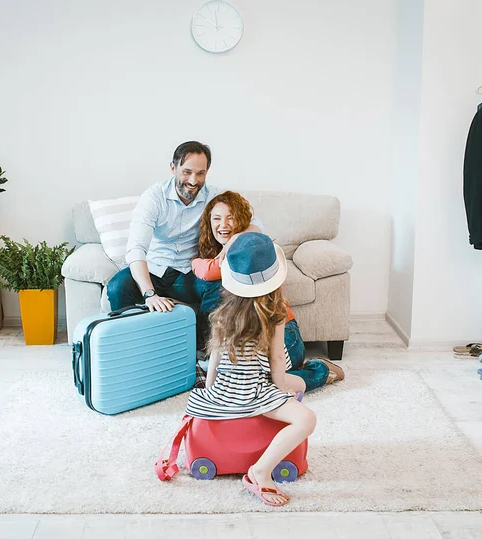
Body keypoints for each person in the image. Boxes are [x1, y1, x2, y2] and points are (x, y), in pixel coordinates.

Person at [186, 232, 317, 507]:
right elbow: (278, 365)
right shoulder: (275, 313)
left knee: (300, 385)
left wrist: (210, 393)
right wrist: (282, 394)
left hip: (224, 390)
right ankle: (261, 470)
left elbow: (214, 360)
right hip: (255, 391)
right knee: (306, 416)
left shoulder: (223, 313)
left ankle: (317, 375)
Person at [106, 141, 263, 351]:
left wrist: (234, 239)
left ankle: (198, 350)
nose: (193, 181)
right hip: (155, 269)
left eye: (200, 173)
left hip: (190, 272)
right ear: (173, 167)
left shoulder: (215, 197)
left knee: (221, 288)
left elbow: (258, 226)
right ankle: (129, 348)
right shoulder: (154, 197)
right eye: (187, 172)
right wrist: (150, 294)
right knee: (117, 287)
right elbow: (136, 250)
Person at [191, 190, 345, 390]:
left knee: (263, 381)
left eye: (231, 218)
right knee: (239, 379)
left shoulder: (255, 253)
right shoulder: (214, 252)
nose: (223, 225)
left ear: (242, 221)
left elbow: (208, 270)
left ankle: (321, 372)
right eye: (217, 218)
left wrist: (198, 262)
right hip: (247, 341)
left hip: (282, 339)